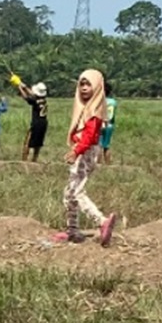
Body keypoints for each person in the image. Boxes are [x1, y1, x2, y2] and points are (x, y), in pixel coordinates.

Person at [54, 69, 118, 246]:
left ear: (98, 87)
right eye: (81, 84)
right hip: (81, 150)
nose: (84, 88)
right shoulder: (84, 108)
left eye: (88, 84)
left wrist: (77, 151)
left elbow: (89, 136)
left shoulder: (94, 111)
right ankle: (72, 230)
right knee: (69, 193)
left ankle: (102, 221)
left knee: (77, 191)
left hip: (86, 152)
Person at [17, 80, 49, 162]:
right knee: (38, 143)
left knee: (27, 142)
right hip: (44, 123)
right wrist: (25, 87)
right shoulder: (44, 100)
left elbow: (26, 97)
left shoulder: (35, 100)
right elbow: (33, 94)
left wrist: (20, 88)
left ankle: (24, 160)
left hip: (36, 123)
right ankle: (34, 159)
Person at [99, 82, 117, 163]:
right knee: (106, 146)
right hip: (110, 125)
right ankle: (108, 163)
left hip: (99, 124)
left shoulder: (98, 102)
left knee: (98, 145)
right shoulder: (113, 102)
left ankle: (98, 163)